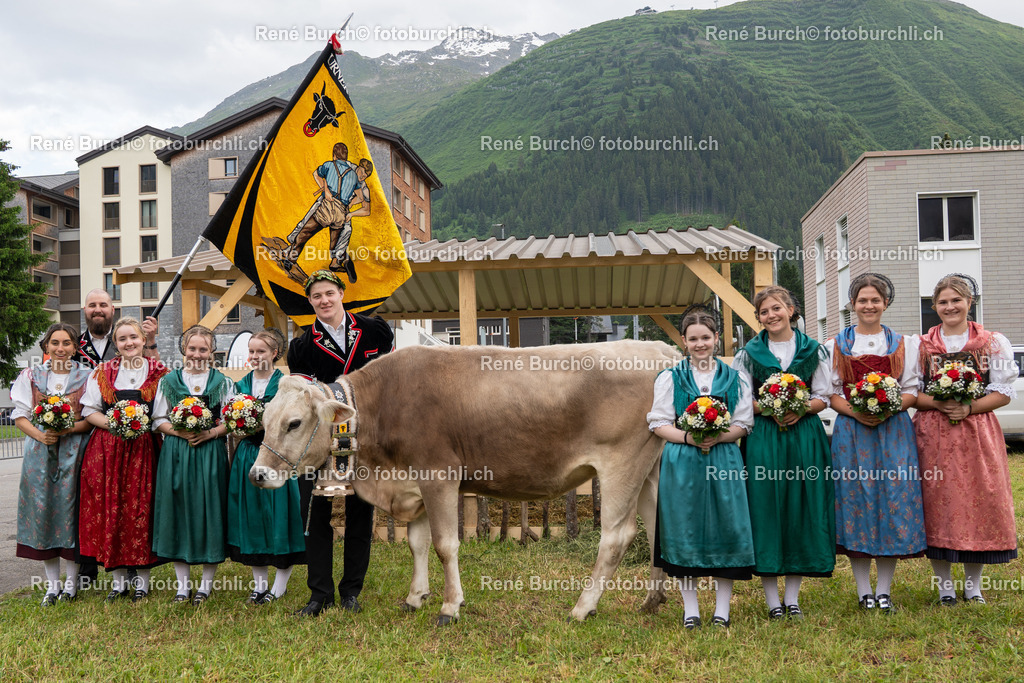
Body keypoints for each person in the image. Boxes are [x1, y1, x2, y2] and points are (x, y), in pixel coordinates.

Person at [287, 269, 394, 616]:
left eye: (329, 293)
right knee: (315, 513)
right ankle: (319, 594)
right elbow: (302, 396)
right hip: (319, 440)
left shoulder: (376, 330)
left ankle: (351, 591)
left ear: (341, 293)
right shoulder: (301, 346)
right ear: (310, 302)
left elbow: (390, 382)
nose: (324, 301)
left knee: (360, 511)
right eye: (316, 296)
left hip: (365, 435)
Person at [646, 306, 754, 629]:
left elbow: (744, 423)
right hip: (683, 460)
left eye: (706, 337)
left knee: (727, 528)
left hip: (724, 460)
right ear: (683, 341)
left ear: (716, 338)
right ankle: (690, 609)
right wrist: (690, 438)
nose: (700, 344)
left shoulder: (736, 378)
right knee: (684, 530)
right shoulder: (670, 378)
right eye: (693, 338)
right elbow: (658, 422)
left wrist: (720, 436)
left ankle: (722, 610)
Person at [913, 274, 1018, 605]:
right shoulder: (922, 345)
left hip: (976, 431)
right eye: (943, 302)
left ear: (970, 302)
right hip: (933, 432)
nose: (950, 307)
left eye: (956, 300)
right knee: (936, 504)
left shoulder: (991, 342)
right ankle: (943, 586)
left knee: (978, 500)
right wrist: (941, 403)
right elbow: (912, 393)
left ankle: (973, 586)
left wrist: (969, 407)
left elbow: (1004, 391)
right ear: (934, 307)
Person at [826, 273, 926, 612]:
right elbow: (831, 393)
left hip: (892, 430)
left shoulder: (903, 344)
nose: (869, 305)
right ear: (852, 304)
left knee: (891, 500)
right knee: (856, 502)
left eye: (875, 299)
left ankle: (884, 589)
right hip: (852, 431)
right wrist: (858, 412)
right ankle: (862, 590)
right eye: (862, 300)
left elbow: (912, 388)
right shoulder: (836, 344)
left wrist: (887, 410)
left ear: (885, 303)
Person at [733, 286, 835, 620]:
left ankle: (792, 598)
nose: (771, 316)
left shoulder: (813, 350)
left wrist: (800, 407)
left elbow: (824, 396)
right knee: (766, 509)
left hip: (804, 437)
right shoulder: (748, 354)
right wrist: (771, 408)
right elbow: (740, 401)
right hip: (764, 438)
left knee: (799, 508)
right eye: (764, 312)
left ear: (791, 310)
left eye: (777, 308)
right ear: (758, 318)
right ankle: (771, 601)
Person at [73, 289, 160, 589]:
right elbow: (89, 411)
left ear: (143, 339)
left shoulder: (157, 370)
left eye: (133, 338)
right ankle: (119, 581)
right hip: (108, 449)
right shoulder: (104, 370)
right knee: (111, 509)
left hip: (143, 450)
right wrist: (118, 423)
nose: (129, 343)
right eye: (122, 339)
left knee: (139, 511)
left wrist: (138, 425)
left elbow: (161, 415)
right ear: (116, 343)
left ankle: (143, 582)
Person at [12, 323, 93, 605]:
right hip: (39, 454)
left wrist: (68, 430)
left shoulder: (88, 377)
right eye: (55, 343)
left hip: (74, 454)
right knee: (43, 513)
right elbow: (20, 415)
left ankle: (71, 586)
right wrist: (41, 435)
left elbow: (91, 419)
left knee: (71, 514)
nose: (61, 348)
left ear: (75, 347)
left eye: (67, 343)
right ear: (46, 346)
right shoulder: (31, 375)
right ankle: (51, 586)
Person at [151, 325, 233, 604]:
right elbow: (158, 419)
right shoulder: (169, 381)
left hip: (210, 452)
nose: (196, 354)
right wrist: (179, 432)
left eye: (203, 349)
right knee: (178, 511)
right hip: (176, 452)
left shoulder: (221, 381)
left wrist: (210, 433)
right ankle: (182, 586)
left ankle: (206, 586)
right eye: (192, 348)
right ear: (183, 350)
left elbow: (230, 420)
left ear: (211, 352)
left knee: (210, 510)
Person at [226, 329, 305, 605]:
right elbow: (230, 422)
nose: (255, 356)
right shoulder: (240, 385)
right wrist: (238, 423)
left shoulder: (286, 385)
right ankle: (259, 585)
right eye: (251, 351)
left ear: (274, 353)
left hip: (277, 456)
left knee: (281, 515)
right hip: (248, 453)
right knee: (252, 517)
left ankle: (279, 586)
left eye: (261, 351)